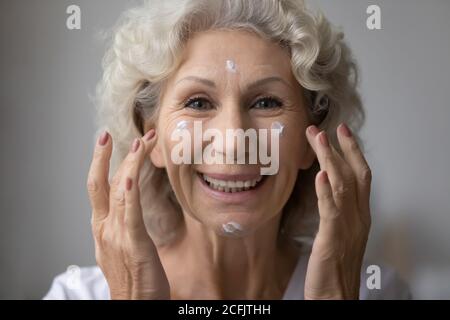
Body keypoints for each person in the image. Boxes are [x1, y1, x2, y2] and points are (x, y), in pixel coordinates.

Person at [45, 0, 410, 299]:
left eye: (266, 102)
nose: (234, 140)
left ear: (310, 142)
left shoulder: (376, 293)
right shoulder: (77, 295)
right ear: (150, 137)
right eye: (199, 103)